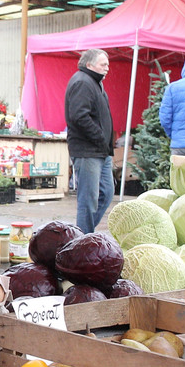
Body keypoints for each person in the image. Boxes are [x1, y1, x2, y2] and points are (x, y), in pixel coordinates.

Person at [64, 48, 114, 235]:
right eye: (103, 64)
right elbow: (79, 116)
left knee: (106, 194)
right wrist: (100, 136)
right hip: (88, 151)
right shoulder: (83, 82)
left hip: (101, 151)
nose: (107, 68)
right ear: (89, 65)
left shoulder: (95, 82)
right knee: (88, 199)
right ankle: (82, 239)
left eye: (107, 64)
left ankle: (85, 233)